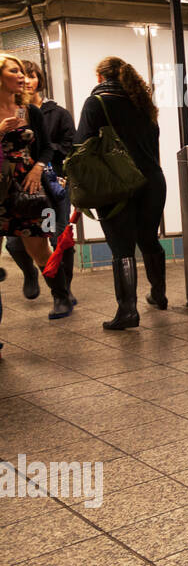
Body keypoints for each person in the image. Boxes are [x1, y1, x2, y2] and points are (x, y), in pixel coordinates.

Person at [74, 56, 168, 330]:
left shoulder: (97, 102)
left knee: (121, 247)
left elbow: (81, 144)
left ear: (100, 77)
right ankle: (159, 294)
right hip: (152, 182)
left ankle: (127, 311)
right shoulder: (143, 102)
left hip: (116, 184)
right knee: (148, 238)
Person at [0, 53, 74, 363]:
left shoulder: (30, 109)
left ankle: (61, 296)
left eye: (22, 71)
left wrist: (37, 168)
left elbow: (45, 146)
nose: (22, 75)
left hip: (29, 190)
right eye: (14, 70)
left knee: (41, 250)